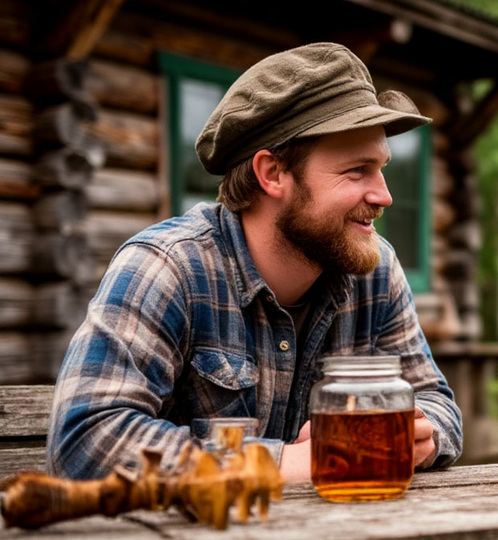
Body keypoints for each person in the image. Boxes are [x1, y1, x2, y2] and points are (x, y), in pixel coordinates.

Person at [46, 43, 462, 481]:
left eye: (381, 168)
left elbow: (437, 403)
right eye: (356, 170)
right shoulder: (167, 268)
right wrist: (290, 462)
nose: (384, 195)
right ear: (272, 174)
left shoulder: (375, 271)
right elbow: (83, 441)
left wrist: (421, 432)